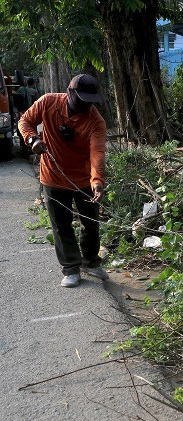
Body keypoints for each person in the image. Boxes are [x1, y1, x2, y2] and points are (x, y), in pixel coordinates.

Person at [19, 74, 108, 288]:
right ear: (69, 93)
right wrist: (33, 139)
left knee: (91, 222)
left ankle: (90, 261)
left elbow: (97, 152)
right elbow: (25, 121)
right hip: (53, 175)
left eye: (89, 101)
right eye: (81, 100)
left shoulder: (96, 121)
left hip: (83, 178)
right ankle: (71, 267)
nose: (85, 105)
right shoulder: (48, 102)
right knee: (61, 224)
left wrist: (97, 180)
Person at [13, 78, 40, 158]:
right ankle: (31, 148)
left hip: (20, 113)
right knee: (32, 131)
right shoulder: (34, 92)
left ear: (26, 83)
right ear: (33, 84)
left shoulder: (20, 89)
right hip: (31, 114)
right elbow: (38, 103)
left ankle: (23, 150)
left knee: (22, 130)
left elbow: (16, 101)